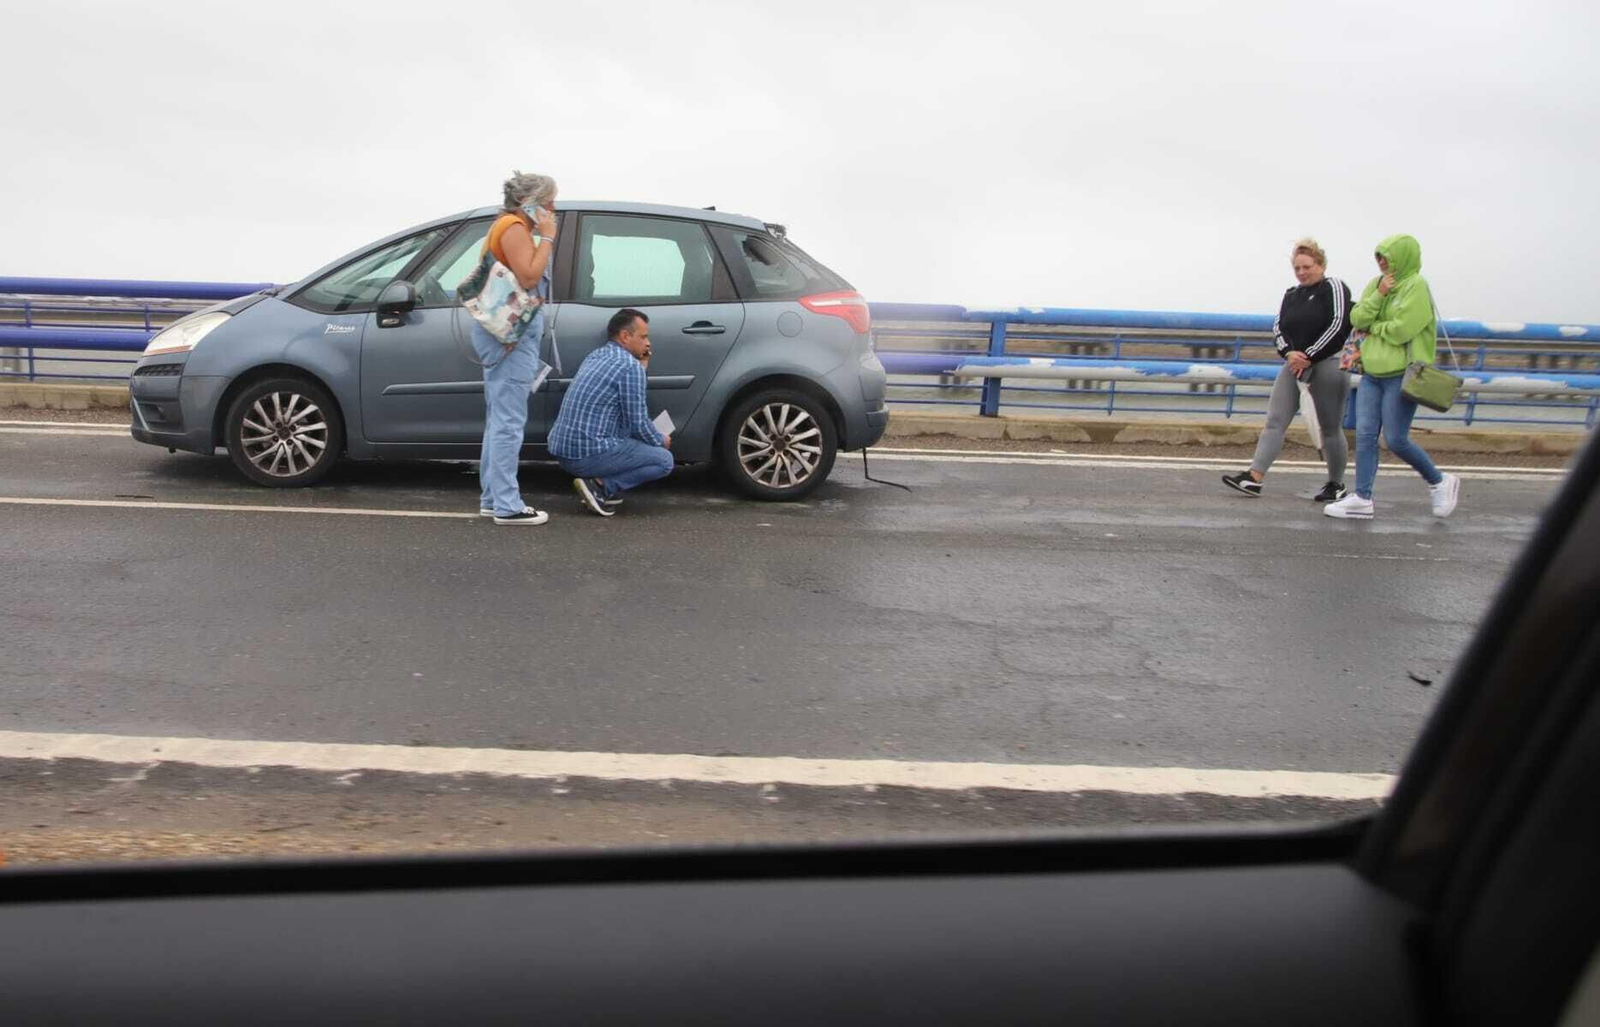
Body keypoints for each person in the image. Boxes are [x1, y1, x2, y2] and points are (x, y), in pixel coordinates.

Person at [1324, 234, 1461, 520]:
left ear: (1402, 256)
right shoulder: (1377, 284)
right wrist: (1380, 295)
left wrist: (1376, 329)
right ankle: (1362, 498)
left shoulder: (1417, 286)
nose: (1382, 263)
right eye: (1379, 257)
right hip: (1372, 373)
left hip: (1403, 374)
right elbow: (1357, 318)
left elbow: (1403, 330)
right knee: (1363, 436)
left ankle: (1439, 481)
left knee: (1396, 439)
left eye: (1386, 257)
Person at [1222, 238, 1353, 502]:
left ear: (1321, 264)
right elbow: (1278, 328)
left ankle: (1336, 483)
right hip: (1293, 366)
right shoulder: (1291, 294)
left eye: (1307, 266)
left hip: (1328, 364)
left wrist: (1310, 355)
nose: (1302, 272)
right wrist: (1289, 354)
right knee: (1275, 420)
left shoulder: (1335, 287)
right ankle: (1254, 476)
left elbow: (1339, 324)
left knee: (1329, 427)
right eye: (1297, 268)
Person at [473, 171, 559, 525]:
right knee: (509, 421)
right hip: (510, 335)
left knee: (499, 419)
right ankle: (507, 505)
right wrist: (548, 237)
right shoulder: (514, 228)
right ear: (531, 201)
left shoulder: (505, 226)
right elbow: (528, 277)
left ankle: (493, 498)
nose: (554, 208)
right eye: (550, 200)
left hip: (504, 333)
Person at [547, 309, 674, 517]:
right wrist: (660, 440)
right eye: (643, 337)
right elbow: (638, 423)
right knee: (664, 461)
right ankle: (601, 487)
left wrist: (641, 368)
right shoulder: (629, 367)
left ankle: (602, 485)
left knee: (624, 431)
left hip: (562, 451)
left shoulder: (598, 355)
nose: (648, 343)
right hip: (585, 456)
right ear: (625, 336)